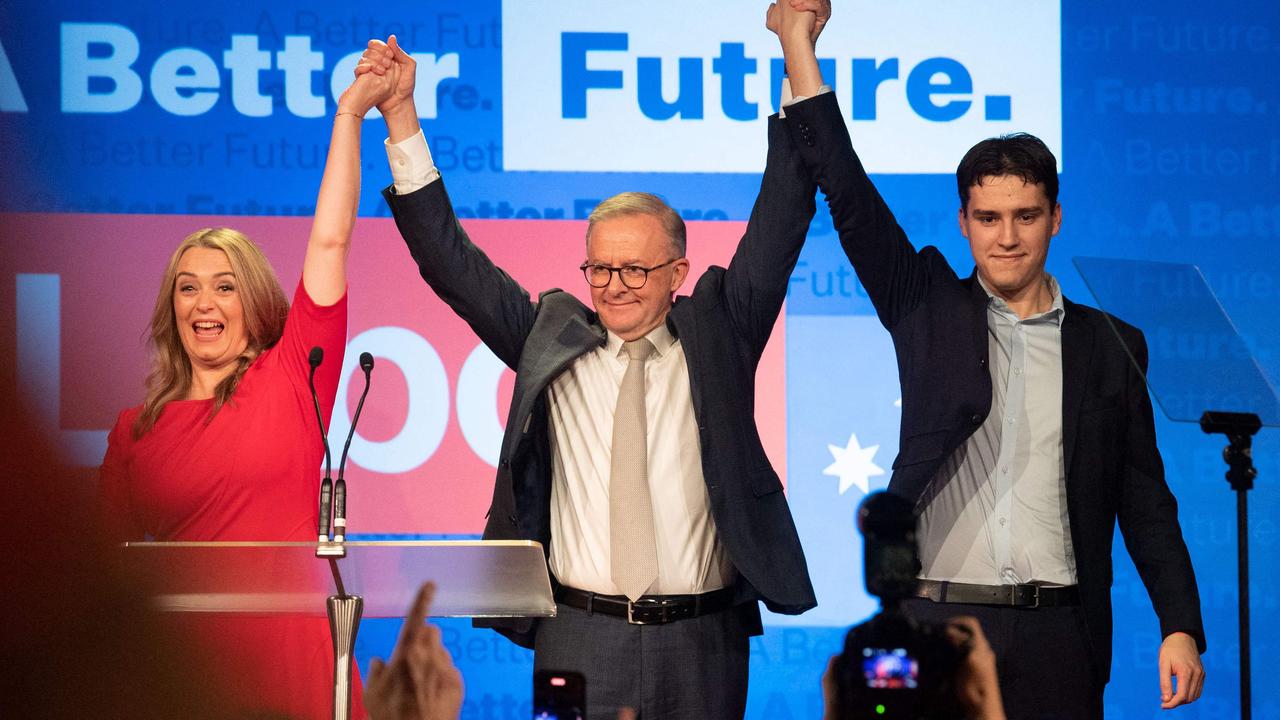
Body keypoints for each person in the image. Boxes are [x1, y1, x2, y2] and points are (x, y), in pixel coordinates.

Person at [353, 2, 830, 715]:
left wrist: (797, 50)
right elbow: (449, 262)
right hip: (576, 636)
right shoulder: (550, 334)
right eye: (600, 270)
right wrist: (401, 119)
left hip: (703, 640)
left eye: (636, 270)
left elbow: (785, 210)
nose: (615, 287)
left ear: (677, 272)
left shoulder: (720, 333)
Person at [780, 13, 1207, 716]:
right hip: (932, 626)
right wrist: (799, 47)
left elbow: (1145, 500)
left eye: (1026, 216)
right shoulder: (926, 306)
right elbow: (849, 194)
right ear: (964, 222)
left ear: (1056, 218)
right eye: (988, 218)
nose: (1006, 238)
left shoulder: (1112, 344)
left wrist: (1180, 625)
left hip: (1060, 635)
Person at [97, 60, 395, 720]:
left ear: (252, 301)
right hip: (184, 677)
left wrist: (349, 117)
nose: (205, 302)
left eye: (225, 285)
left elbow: (330, 238)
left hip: (295, 666)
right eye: (188, 285)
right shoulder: (134, 431)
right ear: (171, 306)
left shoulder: (293, 375)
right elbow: (102, 583)